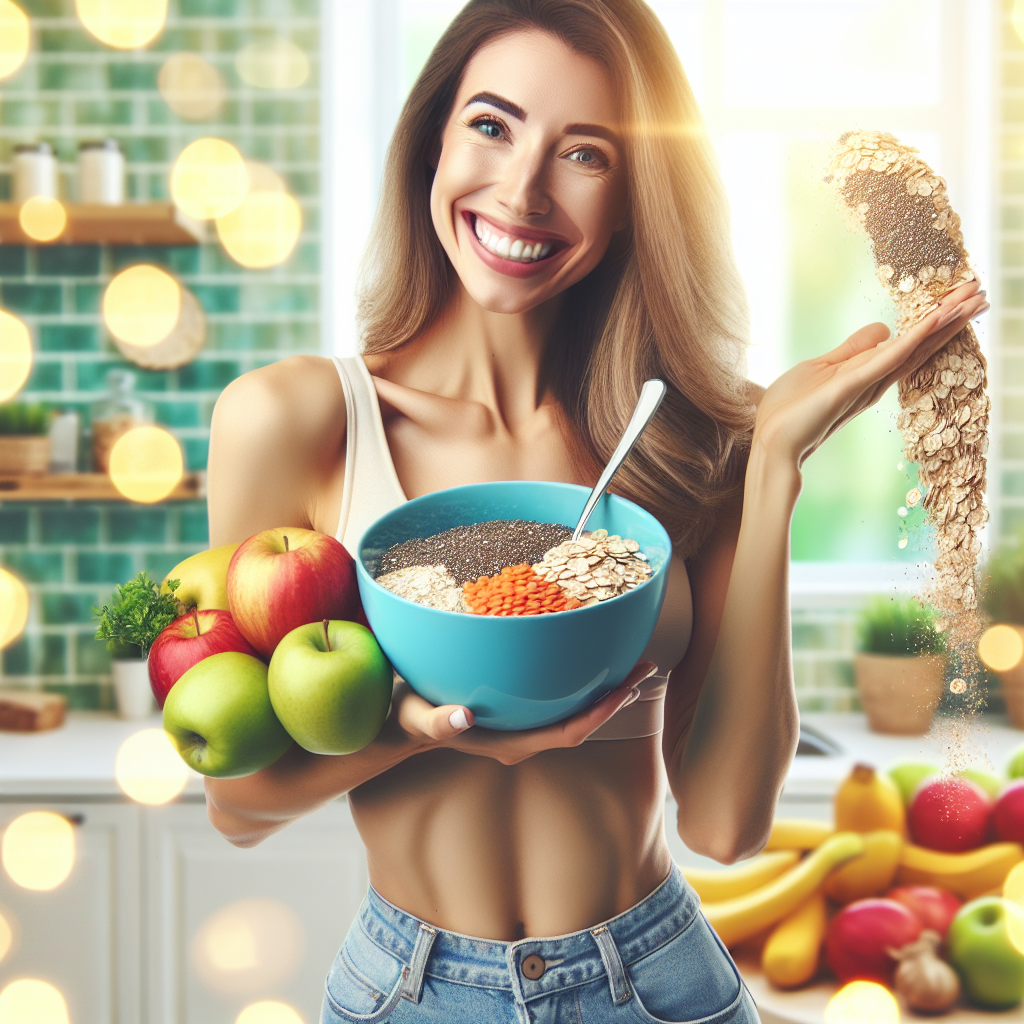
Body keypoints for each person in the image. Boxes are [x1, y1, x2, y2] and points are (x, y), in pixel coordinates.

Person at [204, 2, 988, 1021]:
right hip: (409, 988)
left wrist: (773, 466)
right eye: (491, 126)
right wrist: (432, 732)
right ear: (432, 143)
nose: (521, 190)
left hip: (657, 981)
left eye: (585, 154)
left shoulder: (688, 443)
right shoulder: (297, 421)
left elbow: (724, 820)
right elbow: (237, 803)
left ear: (633, 199)